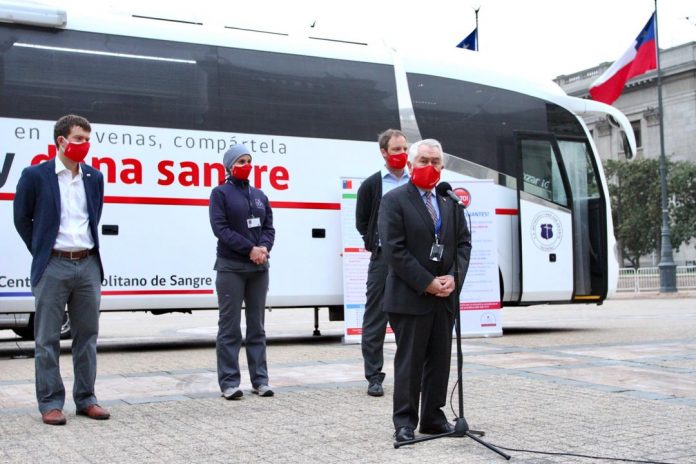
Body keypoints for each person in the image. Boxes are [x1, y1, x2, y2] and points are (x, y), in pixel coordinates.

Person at [13, 114, 109, 425]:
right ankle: (51, 403)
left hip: (88, 264)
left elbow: (94, 216)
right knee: (47, 339)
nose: (85, 145)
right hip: (53, 265)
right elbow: (21, 219)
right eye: (79, 139)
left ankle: (87, 399)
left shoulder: (94, 178)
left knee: (87, 336)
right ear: (61, 141)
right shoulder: (35, 176)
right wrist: (42, 250)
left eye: (87, 139)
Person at [377, 139, 472, 443]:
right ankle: (404, 421)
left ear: (442, 167)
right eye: (423, 161)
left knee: (440, 360)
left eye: (435, 162)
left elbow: (463, 244)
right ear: (410, 164)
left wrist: (453, 277)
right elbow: (394, 250)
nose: (430, 167)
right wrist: (426, 282)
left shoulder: (449, 201)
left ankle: (433, 417)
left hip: (444, 298)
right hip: (410, 296)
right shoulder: (394, 200)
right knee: (410, 362)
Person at [209, 144, 275, 400]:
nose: (246, 165)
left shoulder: (259, 195)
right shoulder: (220, 193)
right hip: (231, 268)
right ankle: (229, 383)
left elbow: (269, 227)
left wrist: (264, 248)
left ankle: (260, 380)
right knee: (230, 327)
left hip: (259, 268)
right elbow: (220, 229)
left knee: (257, 326)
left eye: (249, 160)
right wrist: (249, 248)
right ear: (229, 166)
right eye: (240, 162)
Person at [355, 129, 410, 397]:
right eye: (396, 149)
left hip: (413, 262)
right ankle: (374, 376)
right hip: (382, 259)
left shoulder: (417, 182)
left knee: (410, 319)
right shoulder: (371, 185)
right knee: (376, 319)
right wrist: (377, 245)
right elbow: (362, 222)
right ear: (384, 152)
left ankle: (410, 374)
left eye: (405, 149)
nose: (402, 154)